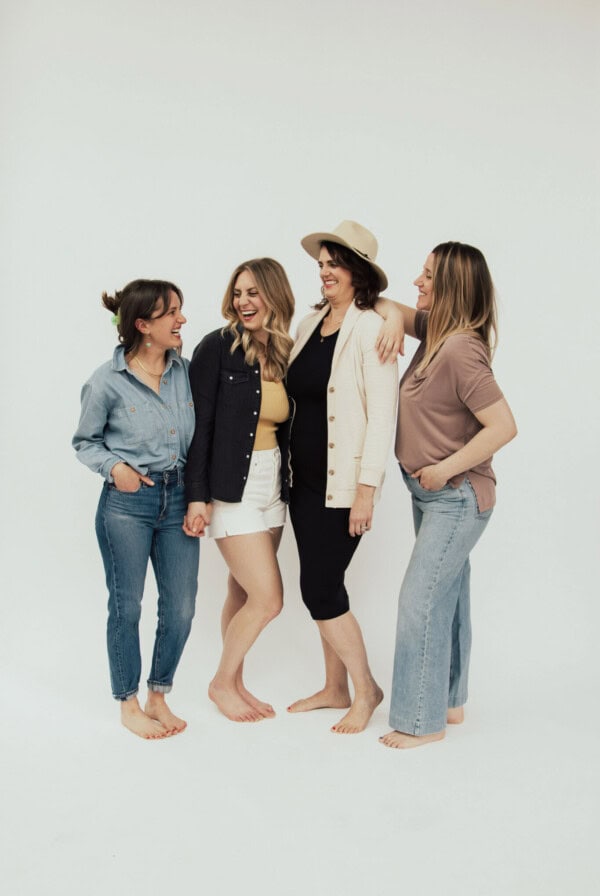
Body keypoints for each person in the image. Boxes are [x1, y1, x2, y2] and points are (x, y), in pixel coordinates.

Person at [379, 242, 517, 750]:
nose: (417, 281)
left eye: (429, 276)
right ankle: (451, 699)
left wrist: (444, 469)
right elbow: (381, 301)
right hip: (431, 494)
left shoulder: (460, 348)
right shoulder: (436, 332)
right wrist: (396, 321)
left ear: (453, 288)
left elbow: (503, 425)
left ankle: (421, 720)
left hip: (456, 497)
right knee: (450, 592)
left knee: (420, 601)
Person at [286, 220, 398, 734]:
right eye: (322, 264)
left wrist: (366, 492)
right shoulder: (308, 326)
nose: (326, 271)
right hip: (302, 483)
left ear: (358, 273)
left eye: (336, 264)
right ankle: (334, 689)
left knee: (321, 588)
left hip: (342, 487)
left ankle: (365, 688)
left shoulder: (372, 327)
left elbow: (383, 413)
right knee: (323, 585)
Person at [73, 279, 199, 739]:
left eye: (181, 311)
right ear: (144, 325)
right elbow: (84, 442)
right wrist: (115, 468)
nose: (182, 319)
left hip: (180, 499)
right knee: (127, 606)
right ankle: (128, 703)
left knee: (181, 608)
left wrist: (198, 495)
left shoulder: (185, 372)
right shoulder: (106, 381)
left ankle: (158, 695)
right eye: (171, 313)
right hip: (127, 504)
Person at [184, 258, 295, 722]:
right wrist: (197, 495)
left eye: (253, 292)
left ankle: (236, 682)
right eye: (238, 292)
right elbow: (199, 426)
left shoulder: (286, 352)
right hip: (234, 489)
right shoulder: (216, 347)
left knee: (243, 591)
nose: (243, 302)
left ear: (274, 294)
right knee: (269, 599)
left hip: (275, 487)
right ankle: (220, 683)